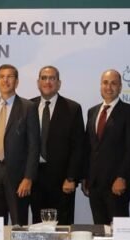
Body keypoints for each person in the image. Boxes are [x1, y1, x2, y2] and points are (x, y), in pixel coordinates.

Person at [0, 64, 41, 226]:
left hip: (18, 175)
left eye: (10, 77)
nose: (5, 80)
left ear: (17, 81)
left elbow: (34, 146)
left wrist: (28, 178)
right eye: (1, 76)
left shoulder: (28, 107)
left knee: (18, 224)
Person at [83, 69, 130, 225]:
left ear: (120, 87)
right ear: (100, 85)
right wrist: (86, 178)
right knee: (100, 230)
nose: (109, 87)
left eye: (114, 83)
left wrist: (122, 177)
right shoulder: (92, 112)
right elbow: (89, 147)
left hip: (117, 184)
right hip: (95, 184)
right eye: (105, 83)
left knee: (120, 231)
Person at [29, 66, 86, 225]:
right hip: (35, 178)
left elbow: (78, 147)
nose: (47, 82)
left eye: (52, 78)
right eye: (44, 78)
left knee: (62, 226)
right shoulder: (28, 106)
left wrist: (71, 177)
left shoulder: (72, 108)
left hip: (62, 180)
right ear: (38, 83)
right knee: (38, 225)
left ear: (59, 83)